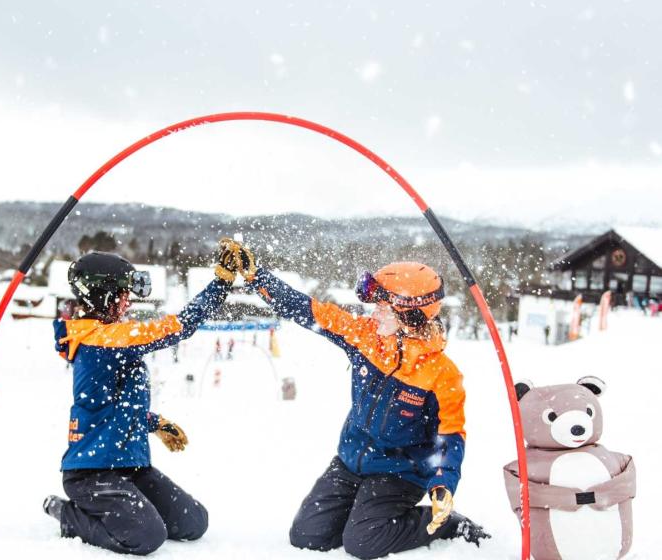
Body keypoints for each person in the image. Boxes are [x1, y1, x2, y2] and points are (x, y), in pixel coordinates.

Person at [219, 239, 489, 559]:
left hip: (399, 472)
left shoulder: (442, 374)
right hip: (351, 461)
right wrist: (256, 277)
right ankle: (364, 509)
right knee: (307, 535)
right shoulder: (364, 337)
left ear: (410, 317)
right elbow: (307, 309)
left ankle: (444, 525)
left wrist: (443, 482)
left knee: (362, 542)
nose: (373, 312)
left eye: (383, 307)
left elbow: (451, 434)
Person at [42, 247, 239, 555]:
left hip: (130, 466)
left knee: (193, 522)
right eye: (122, 293)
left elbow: (112, 405)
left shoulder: (109, 337)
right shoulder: (102, 339)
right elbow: (177, 327)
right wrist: (221, 284)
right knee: (146, 536)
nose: (128, 301)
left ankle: (126, 507)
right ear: (102, 296)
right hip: (92, 473)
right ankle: (66, 514)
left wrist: (154, 422)